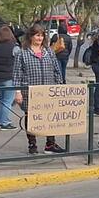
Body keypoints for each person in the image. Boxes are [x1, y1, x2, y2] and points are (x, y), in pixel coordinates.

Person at [13, 24, 65, 154]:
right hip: (29, 92)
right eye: (37, 35)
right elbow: (16, 74)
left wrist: (59, 87)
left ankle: (50, 144)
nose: (40, 38)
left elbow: (57, 71)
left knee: (50, 117)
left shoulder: (49, 52)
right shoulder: (22, 54)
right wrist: (17, 92)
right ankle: (32, 144)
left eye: (41, 35)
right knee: (30, 117)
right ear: (31, 36)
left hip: (48, 91)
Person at [0, 24, 19, 130]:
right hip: (9, 76)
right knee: (7, 100)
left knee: (0, 99)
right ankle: (4, 122)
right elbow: (19, 60)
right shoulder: (13, 46)